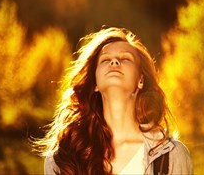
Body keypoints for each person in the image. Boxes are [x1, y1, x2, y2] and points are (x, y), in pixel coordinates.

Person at [33, 26, 193, 175]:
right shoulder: (62, 159)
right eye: (105, 60)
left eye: (125, 59)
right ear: (94, 83)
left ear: (140, 80)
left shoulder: (172, 156)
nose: (114, 62)